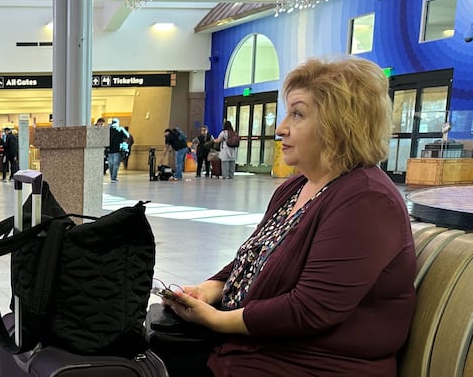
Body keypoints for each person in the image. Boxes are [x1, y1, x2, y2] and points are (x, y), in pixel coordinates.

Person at [158, 57, 416, 376]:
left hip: (309, 363)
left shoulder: (367, 200)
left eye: (297, 113)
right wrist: (209, 288)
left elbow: (310, 310)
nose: (281, 128)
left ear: (339, 125)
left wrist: (217, 320)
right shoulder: (297, 185)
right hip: (257, 348)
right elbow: (254, 257)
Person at [107, 118, 130, 183]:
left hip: (109, 149)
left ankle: (112, 177)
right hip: (117, 150)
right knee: (116, 164)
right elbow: (127, 135)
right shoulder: (120, 129)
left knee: (111, 164)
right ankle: (113, 178)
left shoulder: (108, 129)